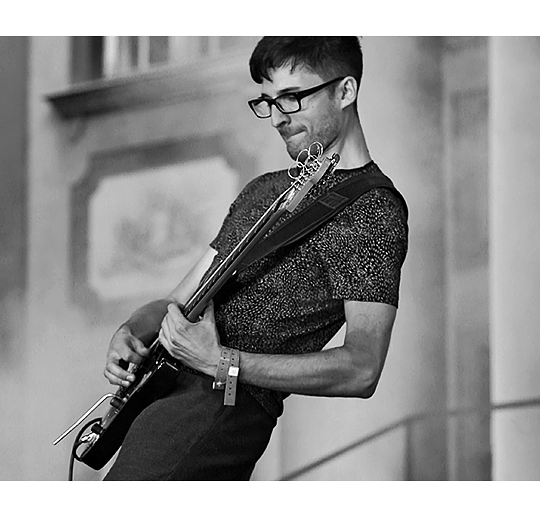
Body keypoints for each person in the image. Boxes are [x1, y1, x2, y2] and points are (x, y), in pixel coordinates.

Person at [101, 36, 409, 481]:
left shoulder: (371, 209)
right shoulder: (264, 190)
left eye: (292, 97)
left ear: (345, 91)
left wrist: (221, 361)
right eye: (268, 102)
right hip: (160, 402)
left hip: (220, 411)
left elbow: (362, 368)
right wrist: (130, 330)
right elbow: (176, 302)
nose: (278, 117)